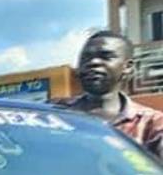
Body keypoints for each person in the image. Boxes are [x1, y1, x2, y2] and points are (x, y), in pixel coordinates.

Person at [60, 30, 163, 159]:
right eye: (86, 58)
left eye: (106, 56)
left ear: (128, 67)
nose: (93, 62)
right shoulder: (55, 112)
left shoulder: (152, 124)